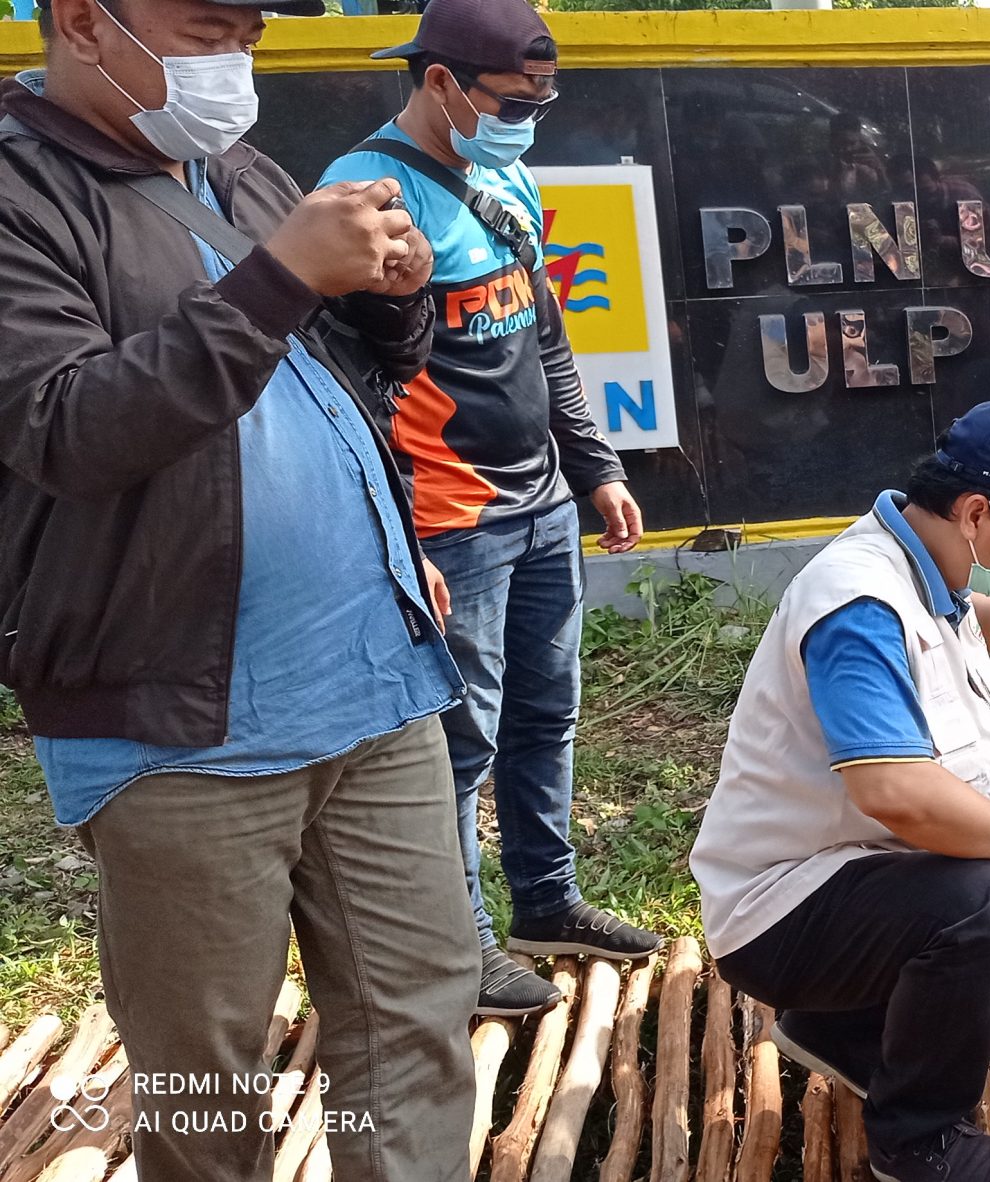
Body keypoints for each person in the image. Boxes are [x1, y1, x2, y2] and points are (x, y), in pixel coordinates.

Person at [0, 0, 479, 1173]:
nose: (237, 57)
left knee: (415, 1024)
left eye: (252, 32)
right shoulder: (21, 198)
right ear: (82, 21)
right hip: (181, 717)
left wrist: (387, 292)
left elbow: (347, 384)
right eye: (209, 27)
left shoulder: (242, 168)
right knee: (207, 1081)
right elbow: (65, 428)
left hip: (373, 684)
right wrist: (277, 278)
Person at [321, 0, 661, 1018]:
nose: (530, 117)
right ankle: (459, 952)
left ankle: (545, 903)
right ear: (439, 83)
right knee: (458, 740)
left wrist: (594, 464)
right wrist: (393, 526)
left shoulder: (500, 174)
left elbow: (544, 337)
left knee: (545, 713)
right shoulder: (362, 200)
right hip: (451, 518)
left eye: (543, 101)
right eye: (515, 100)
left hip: (541, 502)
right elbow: (340, 387)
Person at [693, 401, 990, 1182]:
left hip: (864, 875)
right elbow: (893, 790)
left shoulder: (921, 562)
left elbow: (954, 619)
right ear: (974, 512)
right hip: (783, 909)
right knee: (987, 896)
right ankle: (918, 1141)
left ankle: (846, 1031)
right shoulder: (859, 604)